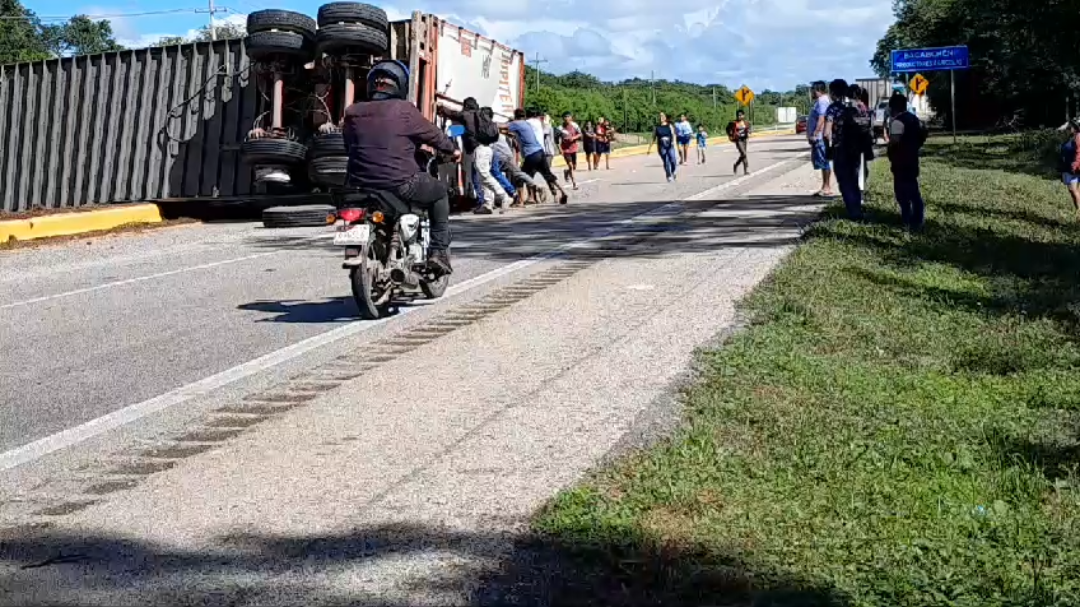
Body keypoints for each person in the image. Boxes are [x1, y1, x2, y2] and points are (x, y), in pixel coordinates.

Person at [343, 59, 460, 274]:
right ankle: (438, 252)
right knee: (440, 193)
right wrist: (452, 150)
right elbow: (434, 135)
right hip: (399, 182)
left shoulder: (352, 112)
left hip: (357, 185)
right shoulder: (404, 109)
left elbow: (348, 146)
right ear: (400, 85)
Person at [437, 97, 507, 215]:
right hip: (487, 148)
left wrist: (440, 107)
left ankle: (503, 196)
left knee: (484, 175)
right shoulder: (480, 116)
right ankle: (487, 204)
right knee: (482, 176)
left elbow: (452, 114)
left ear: (466, 106)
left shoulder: (466, 115)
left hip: (479, 150)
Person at [825, 78, 871, 220]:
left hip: (841, 148)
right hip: (857, 148)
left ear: (832, 92)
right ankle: (857, 208)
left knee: (844, 181)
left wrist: (829, 148)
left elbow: (827, 133)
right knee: (854, 178)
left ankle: (853, 212)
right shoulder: (859, 106)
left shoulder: (833, 108)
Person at [887, 91, 928, 230]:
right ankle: (918, 218)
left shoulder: (897, 122)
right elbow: (922, 135)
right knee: (914, 190)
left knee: (902, 192)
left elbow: (894, 141)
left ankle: (907, 219)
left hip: (900, 161)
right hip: (912, 159)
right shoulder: (913, 119)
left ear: (894, 108)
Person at [510, 108, 568, 204]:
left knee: (523, 176)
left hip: (531, 153)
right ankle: (562, 192)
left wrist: (512, 121)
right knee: (548, 175)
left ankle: (526, 199)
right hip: (541, 151)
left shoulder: (524, 123)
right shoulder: (538, 122)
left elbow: (514, 126)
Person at [808, 80, 833, 197]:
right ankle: (824, 186)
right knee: (822, 162)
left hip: (820, 137)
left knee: (824, 161)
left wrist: (815, 133)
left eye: (812, 90)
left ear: (817, 90)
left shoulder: (822, 100)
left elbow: (822, 118)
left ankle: (827, 187)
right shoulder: (821, 100)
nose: (811, 92)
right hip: (819, 137)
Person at [647, 112, 678, 182]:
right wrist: (649, 148)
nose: (661, 117)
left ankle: (673, 171)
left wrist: (673, 142)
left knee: (673, 159)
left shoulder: (670, 126)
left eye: (662, 116)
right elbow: (653, 138)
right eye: (660, 116)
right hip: (661, 147)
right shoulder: (657, 127)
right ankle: (668, 175)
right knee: (666, 161)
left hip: (670, 145)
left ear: (665, 118)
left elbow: (674, 135)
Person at [1060, 119, 1080, 218]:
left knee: (1072, 189)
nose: (1068, 128)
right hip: (1068, 167)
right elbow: (1059, 130)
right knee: (1073, 190)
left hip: (1074, 168)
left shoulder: (1078, 137)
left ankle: (1078, 211)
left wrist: (1075, 165)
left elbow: (1078, 153)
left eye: (1070, 127)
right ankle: (1078, 209)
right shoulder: (1069, 137)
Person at [559, 112, 582, 189]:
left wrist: (574, 138)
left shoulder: (575, 125)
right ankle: (574, 184)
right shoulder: (560, 128)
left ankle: (566, 172)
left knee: (574, 166)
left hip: (573, 148)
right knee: (571, 166)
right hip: (565, 150)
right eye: (565, 117)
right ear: (563, 118)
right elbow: (556, 138)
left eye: (568, 117)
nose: (567, 118)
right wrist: (560, 149)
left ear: (571, 118)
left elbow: (580, 134)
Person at [729, 109, 751, 175]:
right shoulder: (733, 123)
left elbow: (749, 128)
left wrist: (749, 130)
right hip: (738, 140)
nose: (739, 116)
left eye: (741, 115)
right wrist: (731, 135)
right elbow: (728, 129)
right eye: (738, 115)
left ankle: (742, 169)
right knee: (744, 154)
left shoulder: (745, 122)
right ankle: (745, 167)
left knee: (743, 155)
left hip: (744, 139)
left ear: (743, 115)